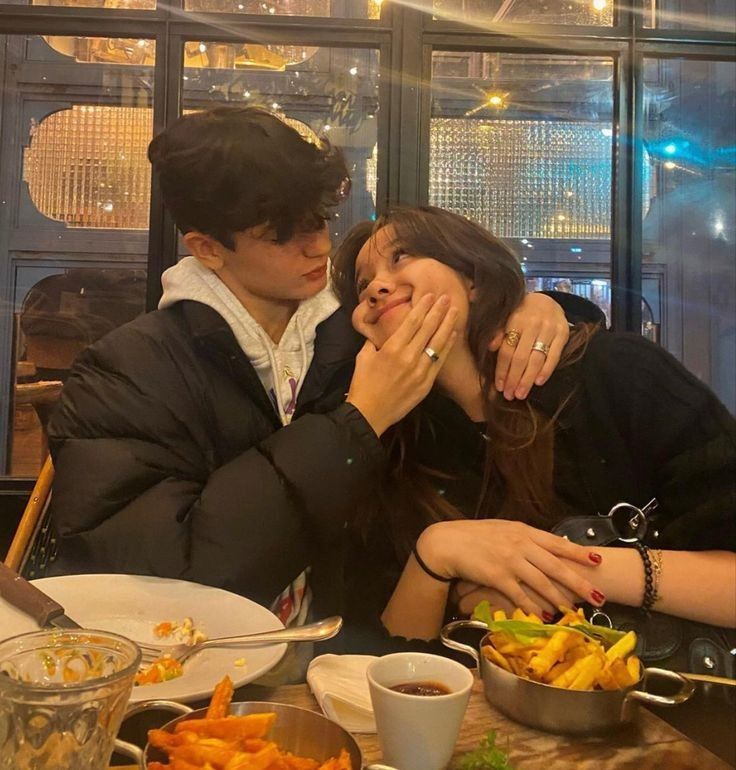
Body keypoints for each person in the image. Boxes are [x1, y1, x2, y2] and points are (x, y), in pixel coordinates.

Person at [46, 107, 590, 635]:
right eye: (281, 233)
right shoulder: (127, 371)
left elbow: (481, 398)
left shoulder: (363, 330)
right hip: (198, 681)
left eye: (320, 220)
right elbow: (165, 579)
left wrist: (530, 306)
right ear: (207, 249)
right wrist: (359, 418)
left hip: (363, 658)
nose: (320, 245)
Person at [331, 206, 736, 663]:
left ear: (473, 278)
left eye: (401, 257)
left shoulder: (615, 374)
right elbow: (381, 665)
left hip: (673, 715)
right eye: (363, 285)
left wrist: (555, 570)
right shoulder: (393, 447)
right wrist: (435, 552)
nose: (376, 288)